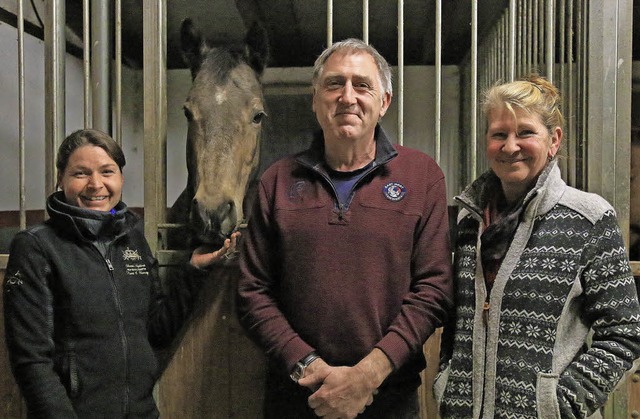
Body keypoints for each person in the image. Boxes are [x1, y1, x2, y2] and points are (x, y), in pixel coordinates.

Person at [237, 38, 453, 418]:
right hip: (298, 395)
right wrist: (309, 367)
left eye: (362, 85)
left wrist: (367, 375)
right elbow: (252, 291)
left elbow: (433, 288)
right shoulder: (276, 181)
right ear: (315, 100)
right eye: (334, 84)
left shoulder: (422, 177)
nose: (347, 97)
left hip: (389, 396)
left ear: (384, 102)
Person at [434, 75, 640, 418]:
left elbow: (624, 332)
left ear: (554, 140)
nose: (510, 145)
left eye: (525, 133)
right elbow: (459, 321)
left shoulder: (588, 219)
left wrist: (560, 404)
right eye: (499, 134)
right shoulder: (470, 221)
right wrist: (447, 382)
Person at [3, 128, 239, 418]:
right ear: (60, 179)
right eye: (80, 173)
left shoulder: (132, 238)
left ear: (120, 179)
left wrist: (193, 271)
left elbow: (156, 330)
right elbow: (32, 360)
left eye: (107, 171)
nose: (95, 184)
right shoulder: (36, 246)